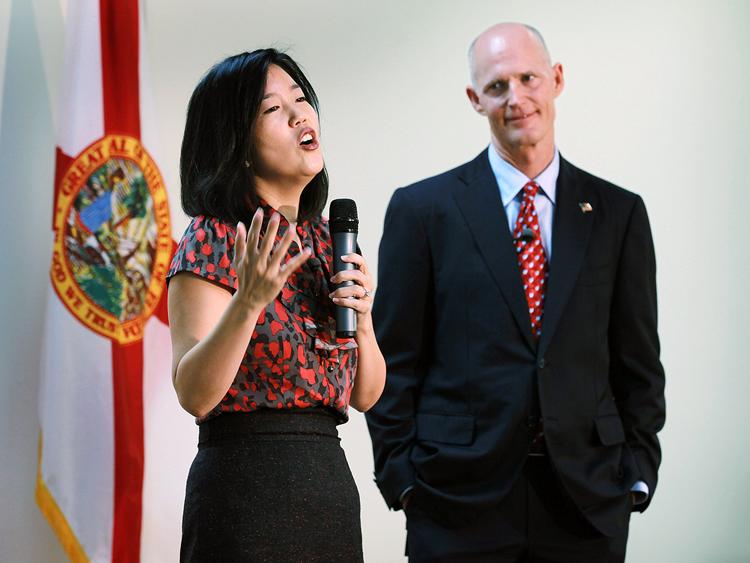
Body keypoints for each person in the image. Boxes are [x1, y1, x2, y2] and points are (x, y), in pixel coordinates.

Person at [365, 23, 665, 562]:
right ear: (474, 99)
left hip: (587, 503)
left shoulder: (619, 214)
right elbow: (394, 360)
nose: (517, 98)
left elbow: (638, 361)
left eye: (528, 78)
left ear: (556, 79)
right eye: (498, 85)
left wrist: (637, 475)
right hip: (454, 502)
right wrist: (402, 478)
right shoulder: (421, 211)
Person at [167, 49, 385, 562]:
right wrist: (248, 302)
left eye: (301, 99)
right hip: (245, 494)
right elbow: (195, 393)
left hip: (327, 488)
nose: (300, 115)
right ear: (236, 143)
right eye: (272, 110)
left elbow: (366, 396)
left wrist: (365, 321)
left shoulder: (326, 241)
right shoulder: (214, 238)